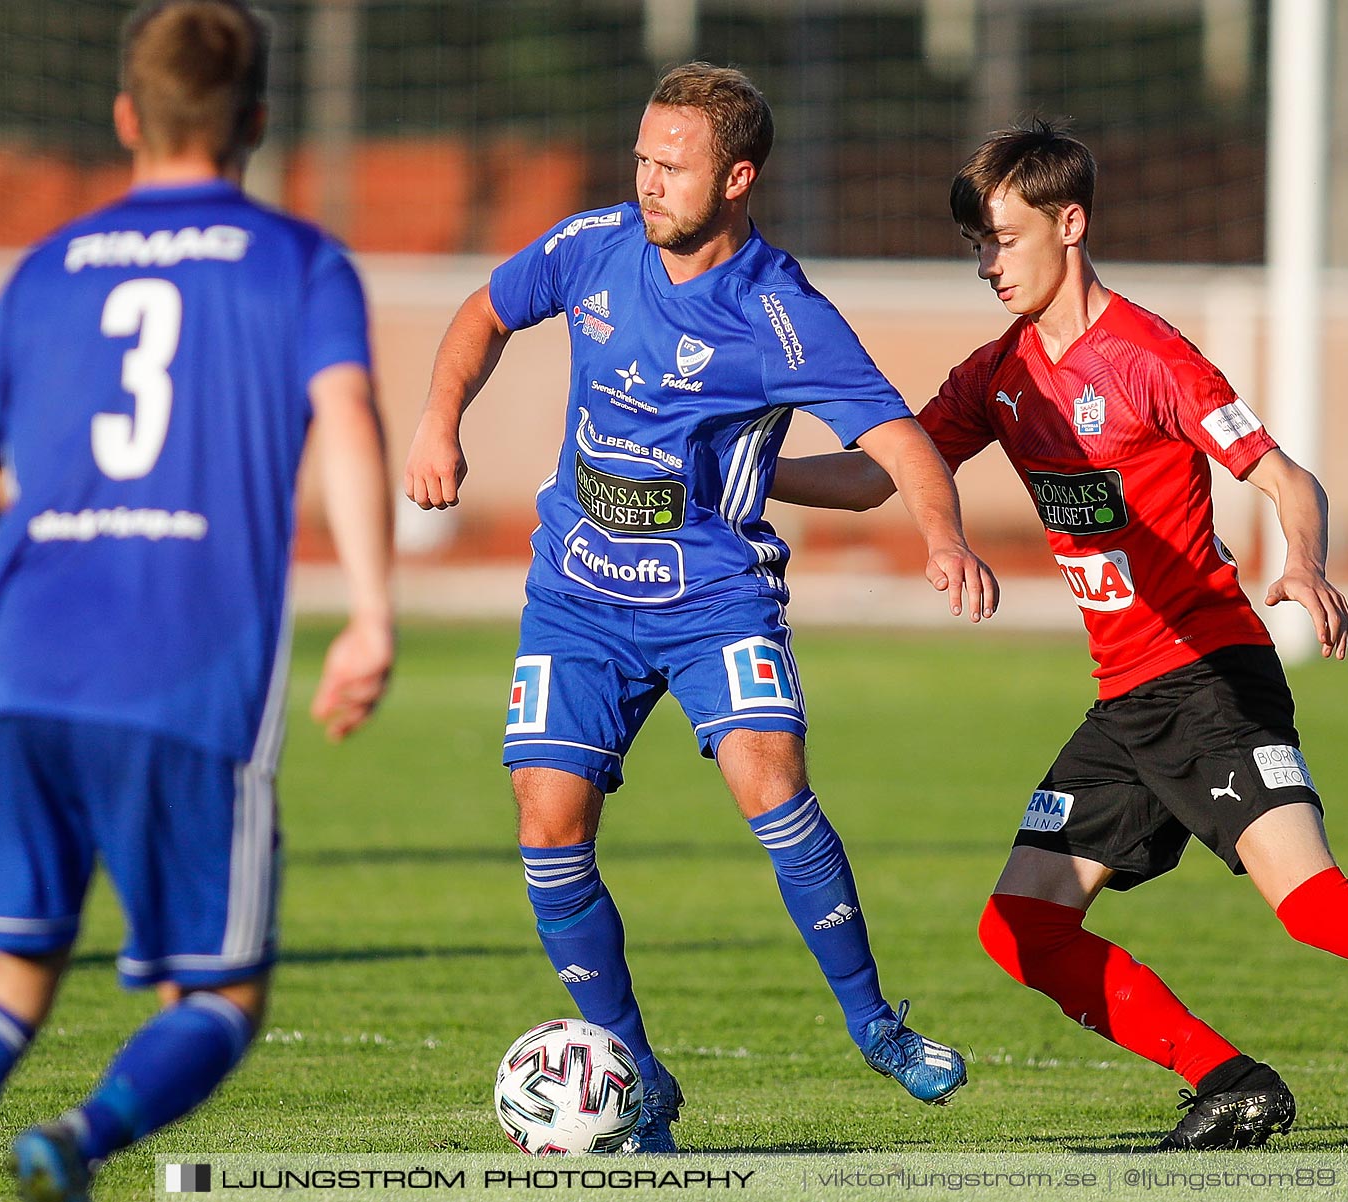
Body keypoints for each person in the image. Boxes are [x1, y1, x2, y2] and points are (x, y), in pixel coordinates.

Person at [771, 121, 1348, 1163]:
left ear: (1070, 222)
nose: (988, 264)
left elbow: (1282, 475)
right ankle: (1232, 1082)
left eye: (1002, 238)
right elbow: (878, 475)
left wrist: (1302, 562)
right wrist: (745, 474)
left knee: (1314, 904)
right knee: (1021, 927)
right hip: (1127, 703)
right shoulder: (999, 375)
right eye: (976, 246)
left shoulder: (1149, 358)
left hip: (1212, 678)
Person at [403, 63, 996, 1152]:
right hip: (576, 596)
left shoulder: (780, 312)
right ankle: (636, 1079)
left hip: (717, 597)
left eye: (668, 167)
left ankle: (877, 1026)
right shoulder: (591, 247)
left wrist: (943, 535)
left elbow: (899, 440)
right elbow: (483, 312)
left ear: (735, 177)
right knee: (548, 824)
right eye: (640, 158)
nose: (646, 181)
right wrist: (441, 421)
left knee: (769, 783)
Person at [0, 3, 395, 1198]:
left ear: (126, 115)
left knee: (3, 982)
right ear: (259, 122)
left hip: (22, 668)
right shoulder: (300, 262)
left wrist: (34, 577)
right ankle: (79, 1140)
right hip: (181, 665)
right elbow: (351, 419)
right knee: (216, 992)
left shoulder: (46, 266)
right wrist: (371, 613)